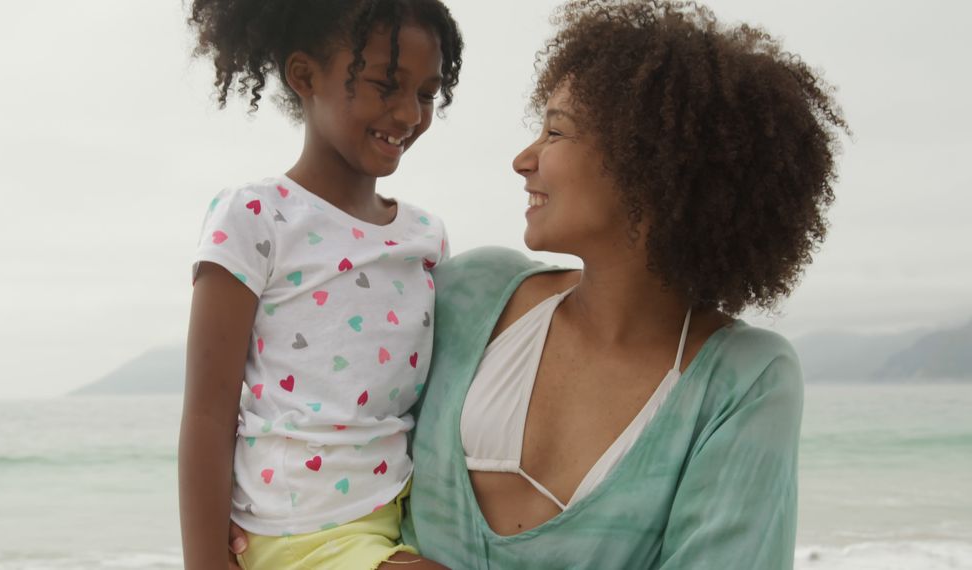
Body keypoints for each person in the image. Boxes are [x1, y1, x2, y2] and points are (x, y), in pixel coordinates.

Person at [228, 0, 847, 567]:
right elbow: (317, 396)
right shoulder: (470, 292)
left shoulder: (743, 381)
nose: (524, 159)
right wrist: (259, 524)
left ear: (647, 163)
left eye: (555, 131)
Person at [180, 1, 463, 569]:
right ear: (305, 76)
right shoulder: (256, 215)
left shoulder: (426, 236)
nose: (409, 113)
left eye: (428, 93)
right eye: (387, 84)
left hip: (410, 510)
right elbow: (208, 414)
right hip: (299, 530)